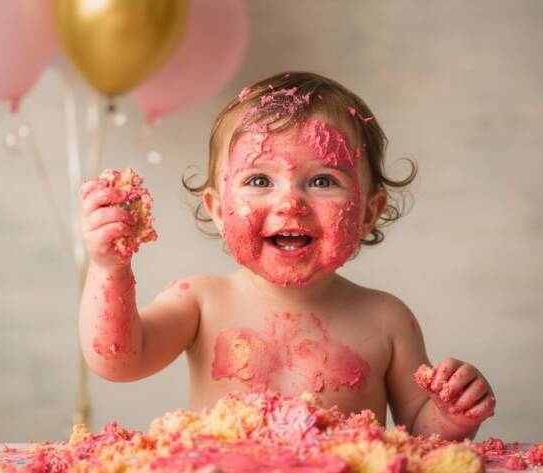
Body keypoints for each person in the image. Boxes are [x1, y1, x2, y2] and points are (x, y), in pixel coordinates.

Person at [77, 71, 496, 440]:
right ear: (219, 210)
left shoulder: (387, 320)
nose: (290, 203)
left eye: (322, 181)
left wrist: (450, 416)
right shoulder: (200, 302)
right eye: (260, 180)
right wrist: (109, 269)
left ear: (368, 213)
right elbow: (119, 361)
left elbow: (421, 436)